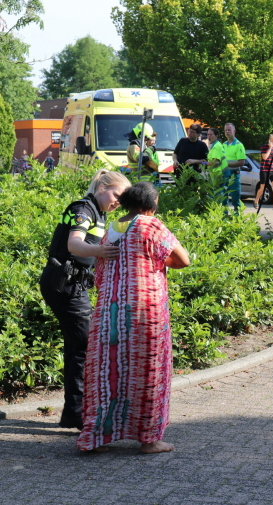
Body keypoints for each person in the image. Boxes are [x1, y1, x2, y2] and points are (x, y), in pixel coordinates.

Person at [76, 182, 190, 454]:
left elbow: (100, 277)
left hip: (108, 313)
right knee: (148, 373)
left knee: (106, 374)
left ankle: (96, 438)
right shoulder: (151, 225)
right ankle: (149, 440)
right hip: (144, 312)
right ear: (150, 204)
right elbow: (182, 260)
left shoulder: (111, 231)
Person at [39, 169, 132, 430]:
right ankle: (78, 414)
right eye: (116, 194)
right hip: (64, 285)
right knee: (84, 347)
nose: (118, 202)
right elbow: (74, 244)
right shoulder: (84, 208)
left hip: (73, 285)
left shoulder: (99, 212)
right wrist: (100, 251)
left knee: (78, 347)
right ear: (102, 186)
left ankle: (73, 412)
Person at [222, 122, 246, 213]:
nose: (227, 132)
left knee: (235, 198)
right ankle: (224, 218)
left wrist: (227, 164)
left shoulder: (239, 145)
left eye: (229, 130)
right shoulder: (223, 144)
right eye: (225, 130)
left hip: (234, 174)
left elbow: (242, 162)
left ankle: (237, 219)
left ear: (234, 131)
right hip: (224, 174)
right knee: (223, 198)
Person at [254, 134, 273, 210]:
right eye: (272, 141)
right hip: (264, 170)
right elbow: (264, 157)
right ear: (269, 140)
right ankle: (256, 201)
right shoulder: (264, 147)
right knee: (262, 188)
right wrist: (270, 148)